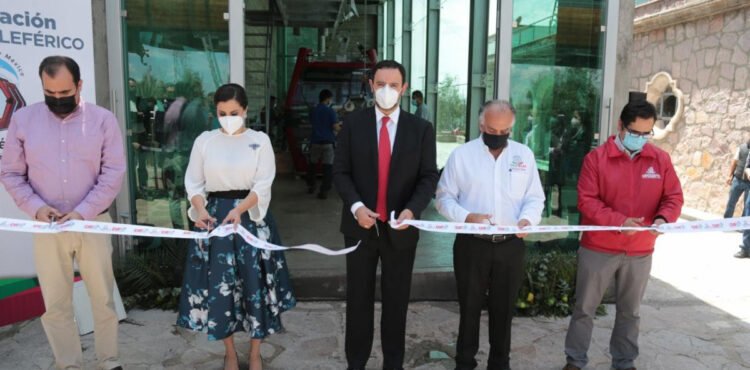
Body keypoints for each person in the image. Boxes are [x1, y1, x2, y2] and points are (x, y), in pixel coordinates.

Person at [0, 56, 126, 370]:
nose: (58, 100)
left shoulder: (102, 120)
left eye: (64, 93)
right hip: (47, 226)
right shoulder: (24, 120)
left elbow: (113, 172)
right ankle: (67, 364)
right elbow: (12, 173)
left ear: (79, 85)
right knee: (56, 303)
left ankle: (108, 360)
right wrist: (35, 207)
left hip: (93, 222)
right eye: (50, 94)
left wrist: (83, 212)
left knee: (103, 298)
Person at [177, 83, 296, 370]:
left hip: (251, 219)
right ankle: (229, 352)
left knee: (255, 284)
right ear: (215, 112)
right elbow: (194, 182)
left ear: (245, 110)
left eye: (234, 112)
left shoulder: (259, 140)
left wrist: (240, 209)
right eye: (222, 113)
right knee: (221, 288)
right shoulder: (205, 141)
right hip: (215, 220)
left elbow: (263, 182)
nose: (228, 117)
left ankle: (255, 352)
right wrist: (201, 209)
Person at [562, 99, 683, 370]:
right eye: (635, 132)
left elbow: (673, 196)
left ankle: (624, 362)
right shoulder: (596, 159)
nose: (641, 139)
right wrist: (619, 222)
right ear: (620, 126)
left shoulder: (660, 159)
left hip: (640, 250)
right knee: (584, 309)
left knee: (630, 312)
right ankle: (575, 360)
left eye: (646, 133)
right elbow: (587, 201)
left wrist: (664, 218)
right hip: (599, 248)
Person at [333, 60, 439, 370]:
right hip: (360, 228)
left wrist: (412, 210)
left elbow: (428, 177)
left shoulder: (421, 129)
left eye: (393, 85)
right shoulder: (353, 124)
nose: (386, 91)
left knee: (396, 304)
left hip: (401, 230)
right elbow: (340, 172)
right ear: (371, 86)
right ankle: (356, 363)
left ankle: (393, 364)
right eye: (380, 84)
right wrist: (356, 207)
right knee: (358, 302)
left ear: (404, 89)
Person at [435, 100, 545, 370]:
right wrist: (465, 217)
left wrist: (527, 220)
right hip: (472, 244)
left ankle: (499, 363)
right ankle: (465, 361)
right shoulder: (462, 156)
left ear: (512, 128)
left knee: (504, 309)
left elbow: (535, 197)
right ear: (481, 125)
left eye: (505, 130)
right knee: (469, 307)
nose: (498, 135)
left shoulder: (524, 155)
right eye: (492, 129)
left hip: (511, 245)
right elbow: (443, 198)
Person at [306, 89, 341, 199]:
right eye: (330, 98)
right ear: (327, 99)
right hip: (328, 143)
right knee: (328, 167)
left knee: (312, 165)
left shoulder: (313, 110)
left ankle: (311, 186)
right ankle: (324, 191)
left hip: (315, 141)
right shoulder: (331, 111)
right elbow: (335, 127)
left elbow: (312, 122)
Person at [723, 139, 750, 218]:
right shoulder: (742, 148)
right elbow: (734, 162)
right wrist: (730, 176)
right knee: (731, 202)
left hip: (749, 183)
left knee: (747, 206)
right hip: (737, 180)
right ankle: (726, 223)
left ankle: (743, 227)